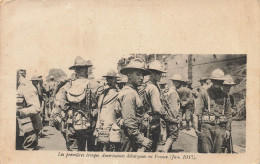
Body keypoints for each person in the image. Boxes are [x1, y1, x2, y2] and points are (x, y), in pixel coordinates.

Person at [52, 56, 98, 151]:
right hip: (90, 125)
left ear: (75, 71)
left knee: (74, 152)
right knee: (92, 152)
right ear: (86, 70)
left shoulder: (67, 85)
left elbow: (62, 105)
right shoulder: (94, 84)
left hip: (72, 124)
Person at [116, 58, 152, 152]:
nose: (141, 77)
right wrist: (141, 139)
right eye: (138, 74)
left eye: (143, 74)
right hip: (129, 139)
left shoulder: (132, 91)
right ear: (129, 75)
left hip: (131, 137)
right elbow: (129, 122)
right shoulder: (129, 94)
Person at [193, 69, 233, 153]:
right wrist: (196, 127)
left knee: (218, 152)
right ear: (212, 81)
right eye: (215, 81)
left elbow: (228, 114)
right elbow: (197, 112)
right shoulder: (204, 94)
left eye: (220, 81)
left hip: (220, 128)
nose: (217, 83)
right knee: (206, 152)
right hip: (206, 127)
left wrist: (228, 129)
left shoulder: (225, 95)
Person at [140, 60, 169, 152]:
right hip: (152, 123)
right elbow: (157, 109)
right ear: (152, 74)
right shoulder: (153, 88)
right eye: (159, 73)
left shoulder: (146, 85)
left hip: (144, 120)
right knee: (150, 148)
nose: (161, 76)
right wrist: (169, 118)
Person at [94, 69, 121, 151]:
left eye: (111, 78)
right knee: (104, 144)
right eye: (108, 78)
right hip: (104, 121)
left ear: (115, 80)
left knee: (110, 144)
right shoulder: (104, 91)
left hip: (110, 121)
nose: (109, 80)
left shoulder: (117, 92)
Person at [16, 69, 43, 150]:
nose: (36, 82)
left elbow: (36, 108)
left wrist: (18, 112)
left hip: (27, 129)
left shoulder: (26, 86)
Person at [161, 74, 182, 152]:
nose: (181, 85)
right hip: (171, 117)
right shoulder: (173, 92)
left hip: (166, 115)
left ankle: (168, 151)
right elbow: (174, 108)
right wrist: (176, 120)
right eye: (180, 83)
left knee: (168, 134)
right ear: (176, 83)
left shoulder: (166, 90)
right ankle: (165, 150)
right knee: (173, 135)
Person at [222, 75, 236, 153]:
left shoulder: (231, 97)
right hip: (218, 122)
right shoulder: (217, 96)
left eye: (230, 86)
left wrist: (233, 110)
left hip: (227, 121)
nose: (229, 88)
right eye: (226, 86)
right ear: (222, 85)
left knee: (228, 136)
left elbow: (234, 107)